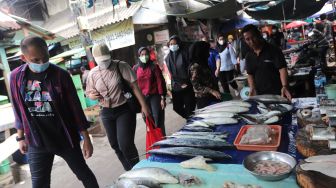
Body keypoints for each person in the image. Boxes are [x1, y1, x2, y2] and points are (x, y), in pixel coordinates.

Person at [10, 36, 99, 188]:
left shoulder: (60, 75)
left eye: (45, 57)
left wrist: (86, 138)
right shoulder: (16, 77)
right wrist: (20, 138)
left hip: (65, 138)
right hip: (36, 141)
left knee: (83, 174)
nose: (42, 63)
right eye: (36, 60)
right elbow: (18, 109)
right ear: (24, 58)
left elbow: (75, 108)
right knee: (39, 184)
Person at [85, 43, 151, 170]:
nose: (104, 62)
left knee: (125, 144)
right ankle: (129, 171)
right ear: (95, 59)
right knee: (115, 145)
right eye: (101, 60)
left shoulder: (121, 66)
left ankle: (138, 169)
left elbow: (134, 87)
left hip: (124, 109)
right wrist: (93, 96)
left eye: (106, 59)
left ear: (110, 55)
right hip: (106, 112)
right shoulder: (92, 74)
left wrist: (144, 106)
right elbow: (89, 93)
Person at [242, 24, 291, 100]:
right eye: (247, 39)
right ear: (245, 41)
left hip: (278, 93)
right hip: (260, 96)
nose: (251, 41)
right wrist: (252, 88)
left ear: (259, 35)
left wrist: (285, 86)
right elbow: (250, 74)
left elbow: (282, 69)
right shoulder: (248, 56)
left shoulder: (273, 50)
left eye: (253, 37)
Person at [134, 47, 166, 135]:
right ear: (139, 56)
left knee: (157, 117)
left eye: (146, 54)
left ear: (149, 55)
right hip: (143, 97)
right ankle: (154, 137)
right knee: (147, 117)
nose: (144, 56)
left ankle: (162, 138)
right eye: (142, 55)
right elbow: (134, 84)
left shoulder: (154, 67)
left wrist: (162, 97)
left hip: (154, 95)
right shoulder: (136, 68)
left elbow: (160, 82)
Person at [165, 35, 196, 118]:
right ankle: (190, 119)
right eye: (171, 44)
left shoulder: (185, 54)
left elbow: (191, 68)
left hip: (187, 85)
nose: (172, 45)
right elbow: (171, 73)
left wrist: (188, 82)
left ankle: (191, 121)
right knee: (177, 108)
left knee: (190, 107)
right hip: (176, 86)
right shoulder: (167, 58)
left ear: (179, 44)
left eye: (174, 43)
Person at [189, 41, 222, 109]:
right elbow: (196, 85)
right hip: (204, 99)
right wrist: (212, 91)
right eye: (207, 51)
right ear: (201, 52)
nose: (209, 54)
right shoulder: (195, 66)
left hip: (212, 96)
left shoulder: (203, 63)